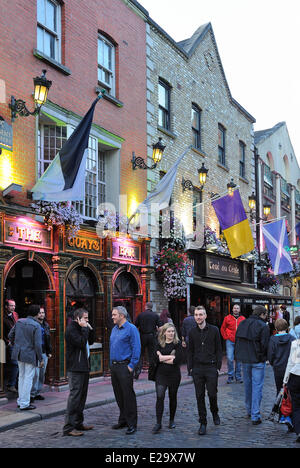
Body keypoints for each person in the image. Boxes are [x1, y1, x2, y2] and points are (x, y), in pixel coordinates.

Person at [188, 305, 222, 436]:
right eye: (196, 315)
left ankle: (215, 412)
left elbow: (219, 349)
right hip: (197, 368)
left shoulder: (214, 330)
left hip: (211, 367)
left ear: (205, 316)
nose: (198, 317)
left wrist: (218, 367)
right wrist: (190, 367)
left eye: (200, 315)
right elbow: (190, 351)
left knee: (212, 394)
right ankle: (203, 422)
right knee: (199, 395)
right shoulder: (192, 332)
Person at [235, 305, 270, 425]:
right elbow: (265, 344)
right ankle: (255, 414)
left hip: (245, 359)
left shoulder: (243, 323)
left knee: (248, 386)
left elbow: (238, 340)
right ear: (262, 314)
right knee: (257, 387)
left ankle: (250, 410)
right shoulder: (263, 326)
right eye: (265, 315)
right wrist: (264, 357)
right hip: (257, 360)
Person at [63, 308, 95, 437]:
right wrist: (85, 329)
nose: (87, 320)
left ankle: (78, 423)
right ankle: (68, 427)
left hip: (84, 367)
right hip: (75, 368)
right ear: (77, 318)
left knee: (82, 397)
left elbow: (90, 341)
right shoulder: (71, 329)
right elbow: (81, 343)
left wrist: (89, 329)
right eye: (85, 318)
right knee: (75, 397)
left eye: (88, 318)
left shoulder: (82, 328)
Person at [110, 306, 141, 435]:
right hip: (114, 367)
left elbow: (137, 348)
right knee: (119, 395)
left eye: (114, 315)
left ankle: (132, 423)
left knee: (128, 396)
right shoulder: (114, 329)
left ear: (122, 316)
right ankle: (123, 420)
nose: (112, 317)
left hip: (125, 366)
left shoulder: (131, 329)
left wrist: (131, 365)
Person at [8, 304, 43, 411]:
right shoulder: (36, 325)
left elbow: (10, 335)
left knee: (22, 377)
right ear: (37, 314)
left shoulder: (19, 322)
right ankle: (24, 403)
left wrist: (16, 344)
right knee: (27, 378)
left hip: (19, 353)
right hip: (29, 354)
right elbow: (38, 345)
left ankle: (21, 401)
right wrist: (40, 359)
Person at [151, 323, 182, 434]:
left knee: (172, 397)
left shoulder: (177, 344)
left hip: (174, 375)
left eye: (173, 331)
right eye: (169, 331)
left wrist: (163, 357)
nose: (171, 333)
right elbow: (155, 358)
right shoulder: (159, 343)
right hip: (161, 374)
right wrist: (170, 356)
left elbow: (177, 359)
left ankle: (171, 420)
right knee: (160, 397)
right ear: (164, 332)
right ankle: (158, 423)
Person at [267, 318, 295, 425]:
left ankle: (281, 415)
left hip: (278, 369)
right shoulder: (292, 339)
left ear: (276, 328)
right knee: (291, 392)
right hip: (290, 369)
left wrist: (274, 363)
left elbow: (270, 355)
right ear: (287, 327)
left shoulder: (273, 340)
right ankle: (290, 416)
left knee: (280, 391)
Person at [134, 302, 161, 379]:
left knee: (140, 354)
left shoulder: (140, 315)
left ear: (145, 307)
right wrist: (157, 334)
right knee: (152, 356)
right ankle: (151, 374)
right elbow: (160, 327)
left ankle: (137, 372)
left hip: (142, 336)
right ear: (151, 307)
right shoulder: (155, 315)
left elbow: (135, 326)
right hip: (152, 336)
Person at [31, 306, 52, 401]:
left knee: (42, 374)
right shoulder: (33, 324)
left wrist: (49, 351)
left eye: (43, 313)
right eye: (40, 313)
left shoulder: (46, 325)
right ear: (36, 314)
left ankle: (37, 392)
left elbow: (48, 339)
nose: (42, 314)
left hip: (44, 352)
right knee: (35, 374)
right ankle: (32, 393)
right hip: (35, 352)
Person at [283, 326, 300, 443]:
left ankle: (299, 432)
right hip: (296, 376)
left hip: (295, 376)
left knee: (297, 406)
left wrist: (285, 379)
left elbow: (290, 362)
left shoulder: (295, 344)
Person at [220, 304, 245, 384]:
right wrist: (226, 337)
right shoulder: (227, 318)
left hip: (239, 341)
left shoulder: (243, 319)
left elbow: (245, 329)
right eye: (234, 308)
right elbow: (222, 328)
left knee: (239, 359)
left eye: (237, 308)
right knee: (230, 358)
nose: (236, 309)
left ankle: (238, 377)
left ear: (239, 310)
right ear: (232, 309)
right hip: (230, 341)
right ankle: (230, 376)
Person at [3, 299, 19, 393]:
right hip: (8, 343)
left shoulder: (15, 314)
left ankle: (14, 384)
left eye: (14, 306)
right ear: (6, 306)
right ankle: (11, 384)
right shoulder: (3, 316)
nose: (13, 307)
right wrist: (7, 342)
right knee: (15, 364)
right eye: (11, 305)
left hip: (16, 342)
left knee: (16, 364)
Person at [181, 306, 197, 376]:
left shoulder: (185, 320)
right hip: (196, 339)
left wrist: (183, 341)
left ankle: (189, 371)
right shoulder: (197, 319)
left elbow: (183, 331)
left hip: (188, 339)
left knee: (189, 356)